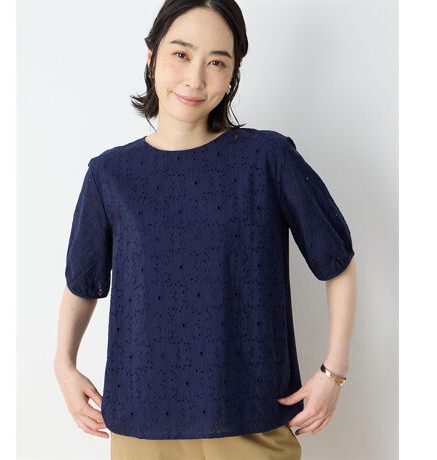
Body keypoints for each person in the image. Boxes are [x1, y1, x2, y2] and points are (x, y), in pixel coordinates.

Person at [54, 1, 357, 459]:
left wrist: (333, 372)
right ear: (152, 57)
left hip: (252, 423)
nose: (196, 78)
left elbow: (338, 263)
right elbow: (82, 284)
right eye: (181, 54)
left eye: (217, 62)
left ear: (232, 75)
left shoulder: (267, 159)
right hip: (141, 429)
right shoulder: (110, 175)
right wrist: (64, 364)